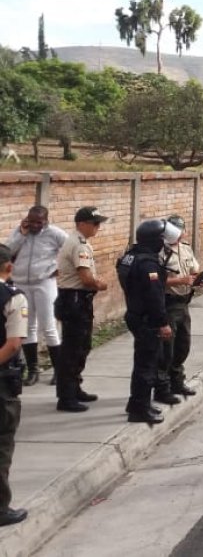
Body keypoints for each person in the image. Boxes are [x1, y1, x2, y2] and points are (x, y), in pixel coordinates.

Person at [116, 219, 174, 424]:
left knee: (141, 361)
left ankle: (136, 403)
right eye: (161, 239)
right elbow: (154, 297)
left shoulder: (129, 257)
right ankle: (139, 410)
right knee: (147, 365)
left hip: (134, 313)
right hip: (147, 319)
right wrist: (163, 323)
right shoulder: (148, 264)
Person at [55, 207, 109, 413]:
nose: (98, 228)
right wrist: (100, 284)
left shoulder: (77, 242)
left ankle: (74, 388)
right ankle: (66, 396)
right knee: (73, 348)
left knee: (81, 346)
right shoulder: (79, 246)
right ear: (81, 224)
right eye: (95, 223)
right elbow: (86, 279)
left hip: (74, 299)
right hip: (75, 300)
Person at [7, 206, 68, 386]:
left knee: (48, 326)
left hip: (44, 283)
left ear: (46, 221)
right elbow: (7, 251)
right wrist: (21, 233)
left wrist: (59, 270)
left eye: (38, 222)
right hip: (21, 283)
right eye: (31, 221)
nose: (34, 225)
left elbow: (71, 251)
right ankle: (33, 370)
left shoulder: (55, 234)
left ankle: (59, 370)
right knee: (27, 327)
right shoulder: (21, 232)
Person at [0, 243, 30, 526]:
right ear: (9, 266)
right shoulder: (13, 298)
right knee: (2, 444)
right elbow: (13, 344)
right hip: (2, 382)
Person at [160, 215, 203, 398]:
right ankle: (164, 387)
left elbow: (194, 270)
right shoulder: (160, 253)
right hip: (168, 304)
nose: (179, 235)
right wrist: (180, 280)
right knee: (166, 349)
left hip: (184, 303)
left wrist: (198, 280)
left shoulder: (186, 249)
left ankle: (178, 382)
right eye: (175, 231)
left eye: (181, 231)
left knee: (182, 346)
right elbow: (156, 282)